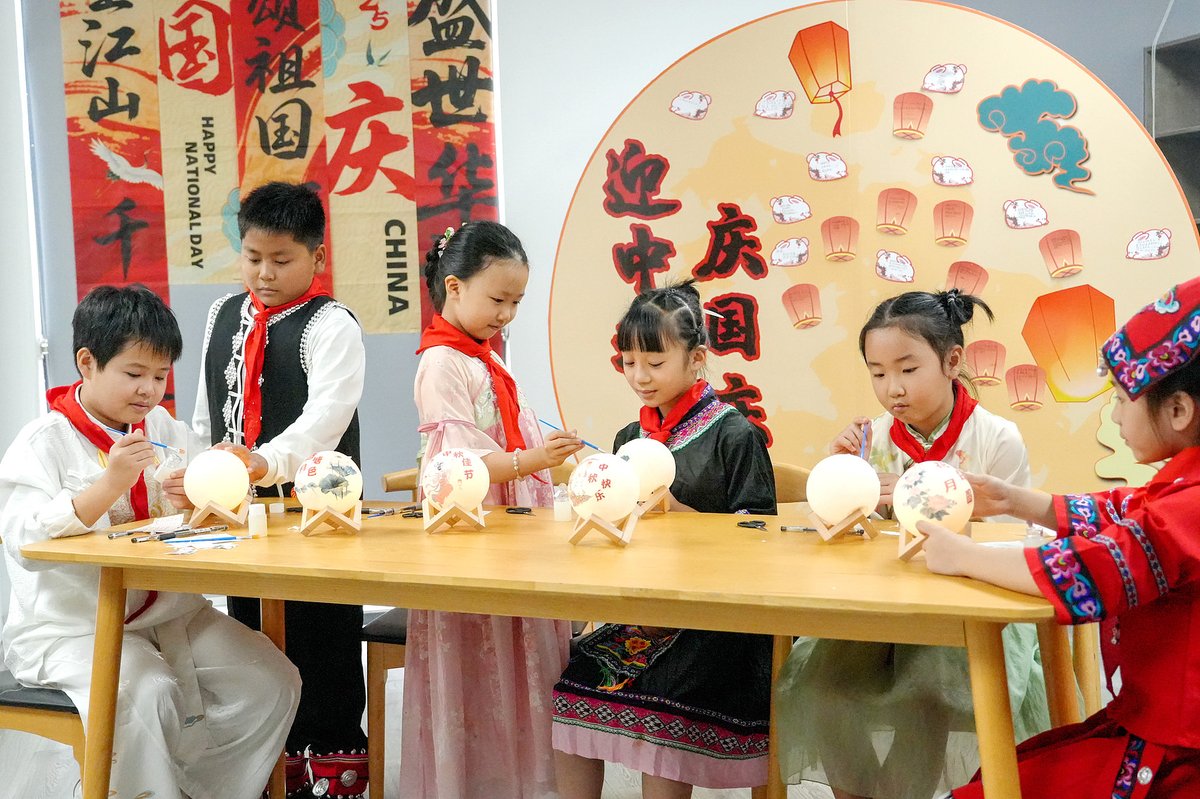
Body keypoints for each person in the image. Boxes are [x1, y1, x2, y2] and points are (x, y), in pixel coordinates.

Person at [0, 285, 299, 799]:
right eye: (134, 374)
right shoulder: (43, 442)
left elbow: (209, 509)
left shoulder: (161, 427)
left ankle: (207, 791)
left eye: (160, 376)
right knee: (148, 692)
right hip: (72, 628)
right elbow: (23, 541)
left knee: (271, 681)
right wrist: (108, 485)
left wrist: (199, 497)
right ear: (87, 362)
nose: (148, 390)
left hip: (172, 613)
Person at [922, 277, 1200, 798]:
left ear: (1179, 411)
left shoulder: (1190, 505)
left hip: (1178, 753)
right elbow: (1125, 509)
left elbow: (1096, 570)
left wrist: (965, 556)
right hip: (1153, 721)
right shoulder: (1182, 489)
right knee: (998, 773)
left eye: (1121, 399)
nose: (1114, 414)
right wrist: (1014, 500)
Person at [774, 289, 1049, 799]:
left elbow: (1010, 539)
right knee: (818, 688)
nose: (892, 389)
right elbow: (848, 539)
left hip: (966, 608)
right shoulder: (873, 439)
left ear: (952, 361)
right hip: (882, 605)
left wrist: (931, 501)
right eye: (877, 373)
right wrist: (842, 477)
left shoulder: (995, 438)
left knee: (928, 698)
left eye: (907, 369)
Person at [552, 281, 776, 798]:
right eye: (629, 362)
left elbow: (762, 537)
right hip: (647, 612)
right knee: (572, 686)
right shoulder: (629, 439)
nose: (639, 377)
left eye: (654, 363)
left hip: (719, 620)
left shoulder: (735, 434)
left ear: (696, 359)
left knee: (663, 703)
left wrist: (679, 513)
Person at [192, 181, 368, 797]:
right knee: (255, 638)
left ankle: (336, 766)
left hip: (317, 510)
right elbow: (208, 413)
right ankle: (271, 768)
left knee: (324, 635)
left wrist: (263, 462)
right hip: (240, 513)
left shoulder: (332, 324)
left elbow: (327, 418)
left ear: (317, 256)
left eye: (281, 260)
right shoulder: (222, 315)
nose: (264, 274)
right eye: (253, 257)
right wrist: (200, 470)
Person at [405, 220, 582, 797]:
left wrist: (540, 452)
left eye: (517, 303)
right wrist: (533, 459)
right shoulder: (442, 363)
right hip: (471, 533)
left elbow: (499, 440)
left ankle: (522, 780)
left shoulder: (481, 356)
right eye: (498, 299)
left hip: (502, 528)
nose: (507, 314)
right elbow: (458, 467)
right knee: (478, 663)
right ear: (454, 287)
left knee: (515, 657)